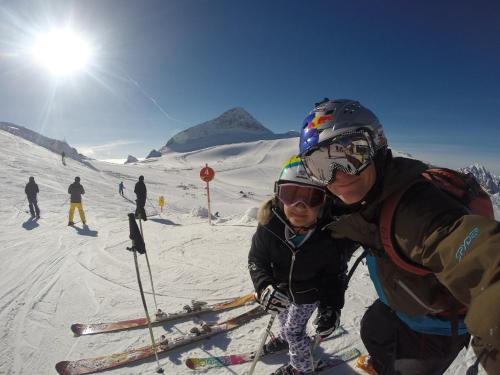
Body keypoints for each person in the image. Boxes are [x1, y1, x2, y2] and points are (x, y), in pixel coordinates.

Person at [298, 98, 500, 375]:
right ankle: (384, 366)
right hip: (403, 305)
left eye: (351, 154)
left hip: (438, 326)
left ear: (377, 146)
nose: (339, 176)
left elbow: (484, 259)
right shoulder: (364, 196)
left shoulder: (416, 212)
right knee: (371, 327)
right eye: (321, 166)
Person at [248, 156, 355, 375]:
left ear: (324, 202)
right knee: (283, 317)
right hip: (283, 291)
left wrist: (330, 308)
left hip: (308, 294)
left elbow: (335, 277)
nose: (299, 206)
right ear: (279, 196)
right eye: (291, 195)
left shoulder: (329, 237)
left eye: (311, 197)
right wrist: (264, 285)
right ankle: (286, 338)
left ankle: (300, 368)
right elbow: (257, 259)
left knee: (294, 331)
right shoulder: (270, 226)